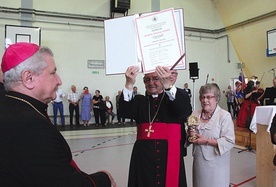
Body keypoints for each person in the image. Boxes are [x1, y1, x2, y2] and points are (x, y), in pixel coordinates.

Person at [0, 42, 116, 186]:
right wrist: (103, 179)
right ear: (28, 78)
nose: (59, 80)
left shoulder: (10, 108)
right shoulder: (31, 127)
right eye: (53, 72)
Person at [119, 65, 192, 187]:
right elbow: (124, 111)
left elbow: (184, 112)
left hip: (169, 154)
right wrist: (129, 83)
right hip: (143, 156)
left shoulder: (174, 97)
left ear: (162, 79)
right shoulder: (139, 101)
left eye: (155, 79)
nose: (151, 83)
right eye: (147, 80)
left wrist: (168, 85)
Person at [187, 83, 235, 187]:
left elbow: (229, 141)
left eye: (209, 97)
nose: (205, 100)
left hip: (217, 165)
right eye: (202, 97)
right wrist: (189, 134)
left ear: (216, 99)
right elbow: (189, 135)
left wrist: (206, 141)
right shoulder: (195, 114)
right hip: (199, 163)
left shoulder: (224, 116)